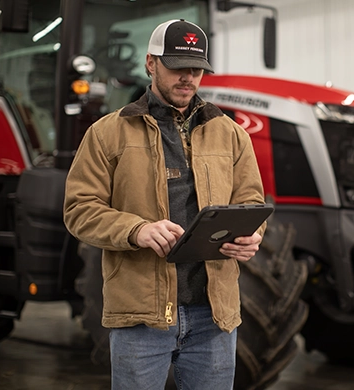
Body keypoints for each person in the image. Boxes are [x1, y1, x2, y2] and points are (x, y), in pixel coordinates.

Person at [63, 19, 266, 390]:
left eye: (197, 69)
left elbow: (250, 200)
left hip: (214, 317)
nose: (188, 78)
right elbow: (79, 209)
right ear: (151, 63)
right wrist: (136, 229)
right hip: (141, 317)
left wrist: (251, 235)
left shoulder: (231, 134)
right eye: (177, 67)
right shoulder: (108, 133)